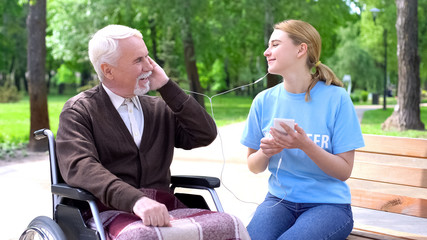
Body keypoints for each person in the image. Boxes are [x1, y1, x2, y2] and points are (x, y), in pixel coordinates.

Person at [56, 25, 249, 239]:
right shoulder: (80, 110)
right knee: (142, 237)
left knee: (231, 224)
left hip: (165, 207)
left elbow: (204, 133)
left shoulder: (158, 108)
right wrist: (135, 200)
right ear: (108, 70)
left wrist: (166, 86)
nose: (149, 66)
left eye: (148, 57)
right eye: (138, 60)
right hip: (105, 210)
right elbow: (80, 166)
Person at [241, 19, 364, 240]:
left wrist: (305, 145)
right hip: (278, 202)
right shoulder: (263, 100)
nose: (266, 52)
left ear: (301, 49)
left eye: (275, 44)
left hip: (330, 206)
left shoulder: (337, 99)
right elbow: (253, 166)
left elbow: (344, 171)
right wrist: (266, 152)